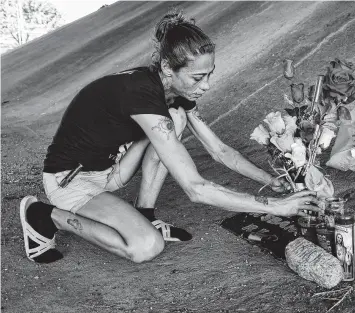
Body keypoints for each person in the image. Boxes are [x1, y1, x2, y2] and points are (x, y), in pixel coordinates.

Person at [20, 11, 322, 264]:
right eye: (197, 77)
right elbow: (196, 188)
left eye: (209, 74)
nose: (205, 86)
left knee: (176, 117)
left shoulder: (174, 91)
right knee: (145, 247)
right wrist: (273, 206)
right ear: (167, 67)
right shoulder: (140, 93)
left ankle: (145, 212)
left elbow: (220, 151)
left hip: (111, 172)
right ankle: (44, 215)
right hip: (71, 179)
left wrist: (270, 181)